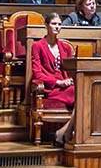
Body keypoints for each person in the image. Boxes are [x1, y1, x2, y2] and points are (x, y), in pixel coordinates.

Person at [29, 13, 76, 146]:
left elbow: (69, 70)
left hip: (66, 86)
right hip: (51, 88)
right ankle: (65, 133)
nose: (57, 27)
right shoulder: (38, 46)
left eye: (59, 24)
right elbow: (37, 73)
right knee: (83, 97)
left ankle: (62, 132)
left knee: (84, 95)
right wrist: (58, 82)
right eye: (54, 24)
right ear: (46, 25)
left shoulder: (65, 47)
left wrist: (69, 80)